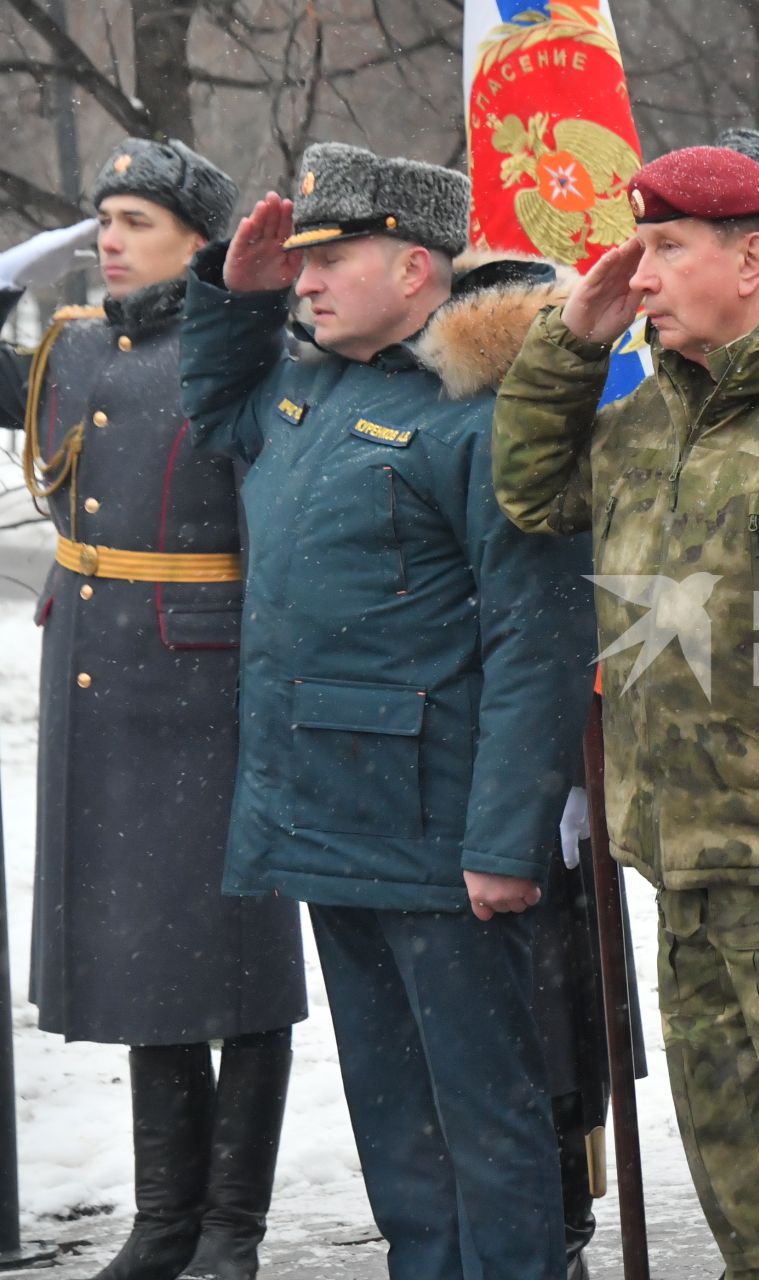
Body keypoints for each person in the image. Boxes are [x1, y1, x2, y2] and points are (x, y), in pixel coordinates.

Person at [491, 144, 759, 1279]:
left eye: (665, 250)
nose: (638, 276)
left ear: (751, 259)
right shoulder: (651, 419)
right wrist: (571, 342)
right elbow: (532, 490)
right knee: (739, 1182)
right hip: (684, 865)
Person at [177, 141, 594, 1279]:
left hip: (442, 833)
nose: (305, 280)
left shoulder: (484, 410)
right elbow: (216, 411)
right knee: (394, 1121)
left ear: (416, 269)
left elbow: (538, 637)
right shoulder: (309, 386)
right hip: (328, 814)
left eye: (332, 256)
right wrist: (232, 292)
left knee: (489, 1122)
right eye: (299, 262)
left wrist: (507, 838)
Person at [0, 138, 305, 1280]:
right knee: (148, 962)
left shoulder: (248, 347)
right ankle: (163, 1218)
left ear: (201, 240)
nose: (110, 241)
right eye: (103, 219)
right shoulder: (78, 352)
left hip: (215, 684)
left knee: (240, 963)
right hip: (105, 682)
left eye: (134, 220)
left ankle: (232, 1226)